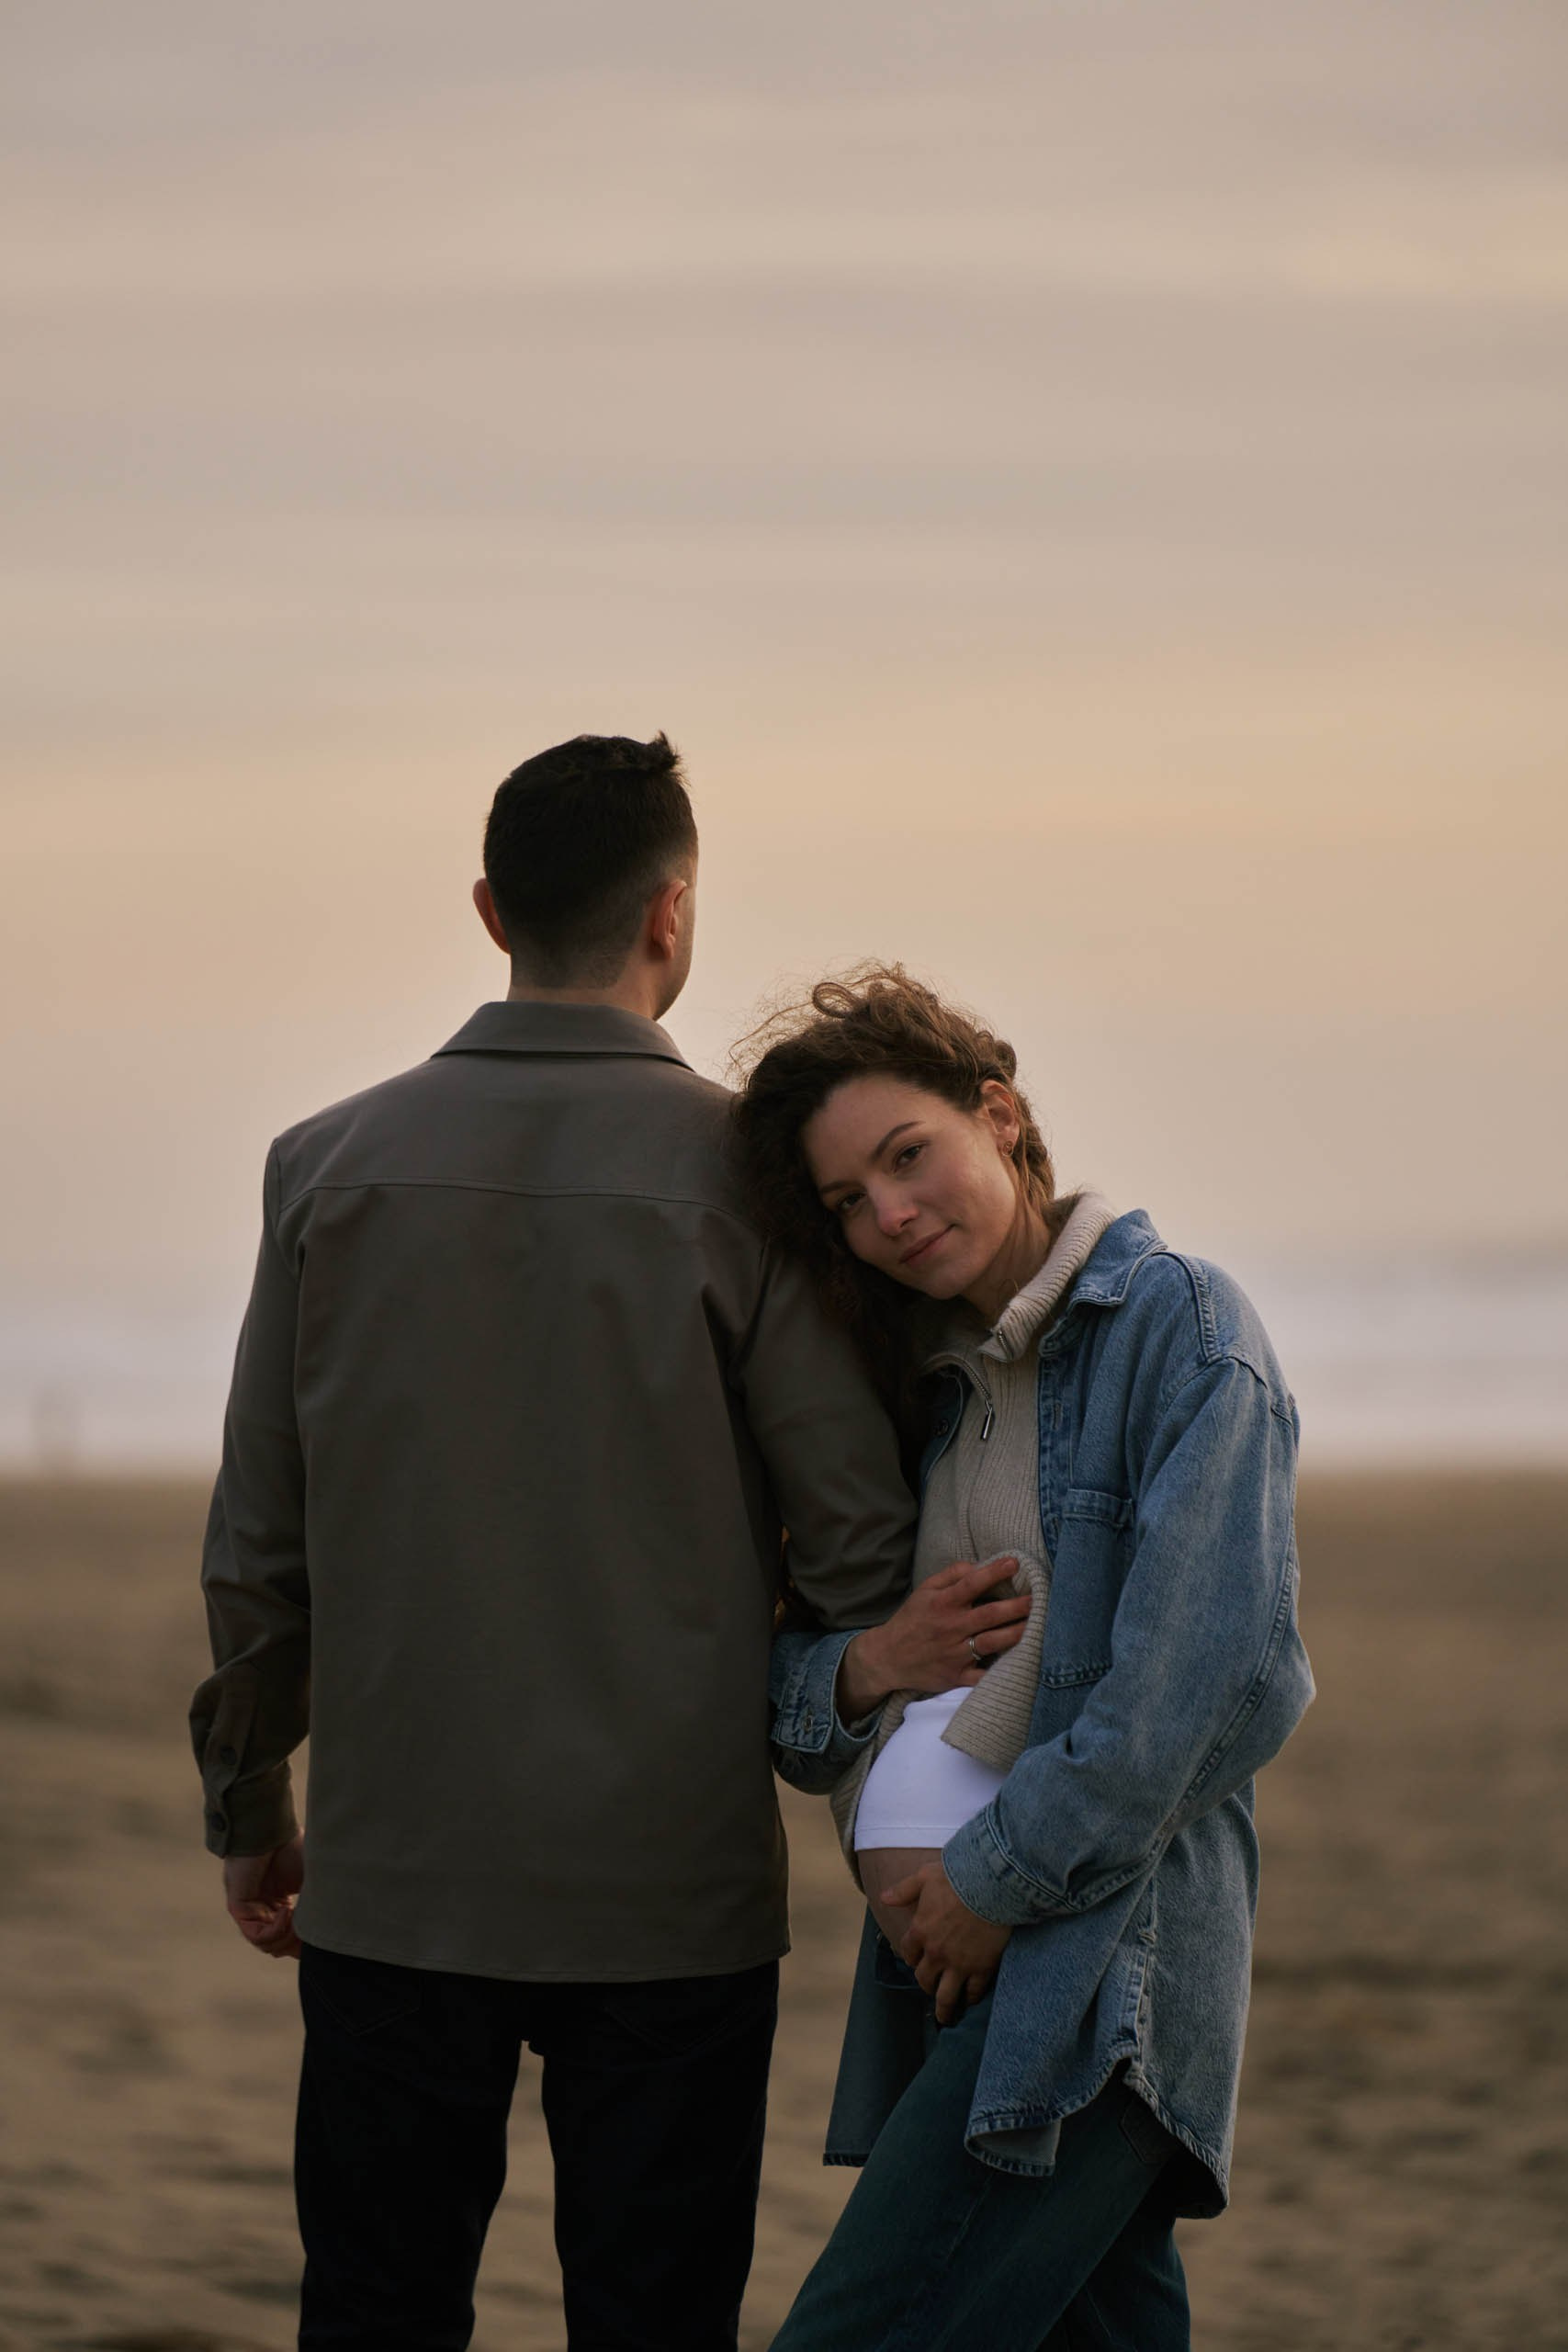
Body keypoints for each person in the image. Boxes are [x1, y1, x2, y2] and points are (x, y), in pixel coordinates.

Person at [188, 737, 1030, 2352]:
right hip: (673, 1901)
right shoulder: (750, 1182)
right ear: (675, 914)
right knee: (654, 2324)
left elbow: (257, 1545)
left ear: (493, 909)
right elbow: (861, 1550)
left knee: (374, 2315)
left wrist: (249, 1805)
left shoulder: (324, 1167)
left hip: (396, 1886)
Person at [732, 966, 1315, 2352]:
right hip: (944, 1976)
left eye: (907, 1155)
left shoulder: (1182, 1329)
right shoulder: (918, 1385)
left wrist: (991, 1885)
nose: (889, 1214)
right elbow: (798, 1708)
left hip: (1091, 1976)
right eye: (847, 1204)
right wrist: (874, 1661)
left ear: (999, 1114)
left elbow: (1215, 1680)